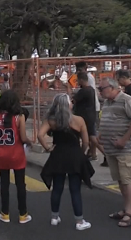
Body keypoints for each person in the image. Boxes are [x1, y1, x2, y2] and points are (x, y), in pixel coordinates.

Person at [38, 93, 92, 230]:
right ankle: (79, 221)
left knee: (57, 188)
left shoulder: (51, 120)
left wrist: (48, 148)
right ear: (68, 105)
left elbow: (40, 135)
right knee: (75, 189)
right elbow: (86, 141)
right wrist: (82, 152)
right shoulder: (79, 120)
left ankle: (54, 217)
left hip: (58, 155)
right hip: (75, 155)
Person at [0, 90, 32, 224]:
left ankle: (5, 213)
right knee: (20, 184)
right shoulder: (19, 117)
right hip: (16, 154)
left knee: (4, 184)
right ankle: (23, 214)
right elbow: (22, 137)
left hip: (2, 154)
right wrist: (29, 142)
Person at [98, 77, 131, 227]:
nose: (100, 92)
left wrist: (124, 139)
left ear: (112, 88)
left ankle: (129, 212)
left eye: (102, 89)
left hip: (125, 149)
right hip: (111, 149)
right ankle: (126, 208)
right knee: (120, 180)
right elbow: (106, 118)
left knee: (126, 180)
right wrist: (101, 133)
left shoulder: (126, 100)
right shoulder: (107, 102)